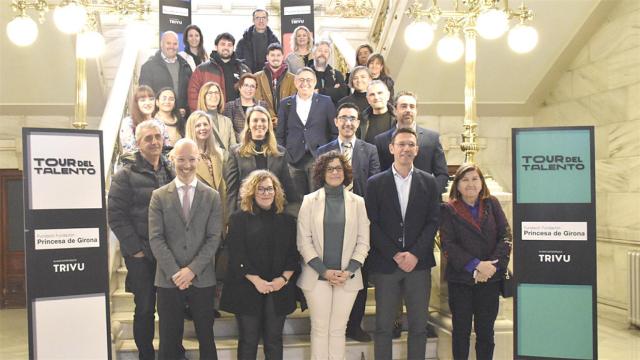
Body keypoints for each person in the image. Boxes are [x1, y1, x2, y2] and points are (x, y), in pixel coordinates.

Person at [365, 127, 440, 360]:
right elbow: (371, 223)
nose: (405, 149)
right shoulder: (375, 183)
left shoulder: (429, 182)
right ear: (391, 148)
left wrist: (415, 254)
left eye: (410, 144)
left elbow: (433, 222)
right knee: (384, 327)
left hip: (418, 265)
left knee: (418, 327)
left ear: (416, 150)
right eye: (401, 144)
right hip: (387, 264)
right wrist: (395, 254)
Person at [149, 138, 223, 360]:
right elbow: (156, 238)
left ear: (198, 159)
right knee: (169, 341)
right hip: (167, 279)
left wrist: (191, 270)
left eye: (191, 159)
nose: (187, 165)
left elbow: (213, 239)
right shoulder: (159, 196)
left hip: (202, 279)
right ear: (172, 159)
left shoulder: (212, 196)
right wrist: (175, 272)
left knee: (206, 339)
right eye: (181, 159)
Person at [108, 120, 175, 360]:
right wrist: (135, 250)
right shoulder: (125, 174)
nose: (155, 141)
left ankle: (172, 351)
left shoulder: (170, 170)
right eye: (148, 138)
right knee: (145, 308)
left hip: (168, 253)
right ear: (138, 143)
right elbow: (115, 216)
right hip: (141, 255)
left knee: (170, 309)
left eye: (158, 136)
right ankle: (146, 355)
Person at [297, 151, 370, 360]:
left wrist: (350, 271)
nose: (335, 172)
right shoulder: (309, 201)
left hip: (347, 277)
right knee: (320, 329)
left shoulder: (358, 202)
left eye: (338, 168)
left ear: (345, 172)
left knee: (339, 330)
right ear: (322, 172)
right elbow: (304, 241)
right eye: (330, 168)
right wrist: (324, 271)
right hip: (317, 276)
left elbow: (363, 241)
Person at [316, 102, 380, 342]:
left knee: (357, 274)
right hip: (330, 221)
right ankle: (334, 325)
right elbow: (317, 183)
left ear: (358, 122)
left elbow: (374, 186)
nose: (348, 123)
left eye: (352, 118)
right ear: (336, 122)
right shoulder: (324, 150)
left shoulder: (369, 150)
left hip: (359, 220)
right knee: (331, 273)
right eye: (343, 118)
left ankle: (355, 325)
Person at [220, 170, 299, 360]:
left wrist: (283, 279)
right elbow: (236, 254)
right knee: (248, 340)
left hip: (278, 288)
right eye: (260, 189)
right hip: (247, 287)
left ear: (276, 191)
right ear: (252, 192)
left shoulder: (287, 220)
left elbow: (293, 254)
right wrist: (256, 281)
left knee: (273, 340)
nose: (265, 193)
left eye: (269, 189)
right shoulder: (238, 219)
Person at [440, 163, 512, 360]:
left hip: (490, 279)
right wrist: (476, 265)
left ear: (481, 183)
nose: (470, 184)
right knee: (461, 332)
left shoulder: (493, 204)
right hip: (462, 280)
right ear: (458, 184)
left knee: (486, 332)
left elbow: (505, 236)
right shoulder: (448, 209)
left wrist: (491, 267)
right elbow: (448, 245)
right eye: (465, 179)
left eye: (474, 179)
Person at [224, 105, 299, 217]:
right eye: (255, 120)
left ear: (268, 125)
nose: (259, 124)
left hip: (274, 212)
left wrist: (292, 215)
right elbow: (232, 190)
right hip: (245, 212)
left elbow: (288, 187)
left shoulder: (280, 152)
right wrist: (230, 219)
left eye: (263, 120)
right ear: (248, 124)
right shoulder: (235, 152)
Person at [276, 67, 337, 197]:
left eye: (309, 80)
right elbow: (280, 134)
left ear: (315, 82)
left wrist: (328, 154)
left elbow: (334, 131)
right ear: (295, 82)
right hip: (293, 159)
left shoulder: (326, 102)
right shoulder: (285, 103)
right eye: (301, 80)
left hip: (318, 157)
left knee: (317, 198)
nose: (305, 83)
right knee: (296, 200)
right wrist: (284, 156)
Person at [374, 91, 449, 193]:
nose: (408, 110)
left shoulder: (432, 139)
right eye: (404, 106)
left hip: (424, 200)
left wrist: (430, 193)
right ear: (395, 110)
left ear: (416, 110)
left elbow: (442, 174)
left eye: (412, 106)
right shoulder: (381, 140)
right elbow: (377, 174)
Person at [188, 32, 251, 111]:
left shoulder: (243, 69)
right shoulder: (202, 69)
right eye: (223, 44)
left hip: (238, 116)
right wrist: (202, 115)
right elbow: (193, 95)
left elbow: (252, 93)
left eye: (229, 45)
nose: (226, 47)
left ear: (233, 48)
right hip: (212, 116)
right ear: (216, 46)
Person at [140, 31, 192, 117]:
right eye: (168, 43)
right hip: (158, 118)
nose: (172, 46)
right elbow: (145, 94)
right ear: (161, 44)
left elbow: (190, 92)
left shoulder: (185, 65)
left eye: (175, 44)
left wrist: (186, 109)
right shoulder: (148, 66)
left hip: (181, 118)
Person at [255, 43, 297, 129]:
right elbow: (258, 100)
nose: (275, 58)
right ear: (267, 57)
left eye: (278, 55)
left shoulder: (293, 78)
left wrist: (281, 119)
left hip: (287, 124)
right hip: (264, 123)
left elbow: (293, 101)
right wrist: (272, 118)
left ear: (283, 57)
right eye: (272, 55)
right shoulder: (256, 77)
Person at [119, 85, 171, 154]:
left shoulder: (160, 123)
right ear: (136, 103)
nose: (148, 103)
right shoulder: (128, 123)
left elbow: (167, 149)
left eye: (151, 99)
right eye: (143, 100)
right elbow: (131, 151)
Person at [223, 73, 267, 139]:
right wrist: (244, 139)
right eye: (246, 85)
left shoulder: (262, 105)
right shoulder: (230, 106)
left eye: (252, 86)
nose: (249, 89)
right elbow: (229, 130)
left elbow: (266, 127)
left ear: (255, 89)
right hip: (237, 145)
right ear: (240, 87)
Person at [196, 81, 237, 151]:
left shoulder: (227, 121)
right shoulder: (195, 120)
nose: (214, 96)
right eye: (210, 93)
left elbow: (233, 147)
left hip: (227, 161)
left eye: (216, 93)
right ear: (203, 96)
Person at [236, 9, 281, 73]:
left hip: (268, 78)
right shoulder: (243, 42)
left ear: (267, 20)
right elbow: (238, 62)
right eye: (257, 18)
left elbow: (279, 61)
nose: (261, 21)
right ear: (253, 20)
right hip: (249, 78)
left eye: (263, 18)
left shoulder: (274, 42)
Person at [310, 40, 349, 106]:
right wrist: (332, 90)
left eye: (326, 51)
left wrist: (318, 91)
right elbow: (305, 94)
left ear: (329, 55)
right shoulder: (306, 73)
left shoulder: (337, 74)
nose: (322, 53)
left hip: (331, 114)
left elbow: (342, 94)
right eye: (319, 50)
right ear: (313, 54)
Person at [360, 80, 396, 144]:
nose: (376, 97)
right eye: (372, 94)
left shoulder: (398, 119)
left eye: (380, 93)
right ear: (368, 99)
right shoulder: (361, 120)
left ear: (388, 95)